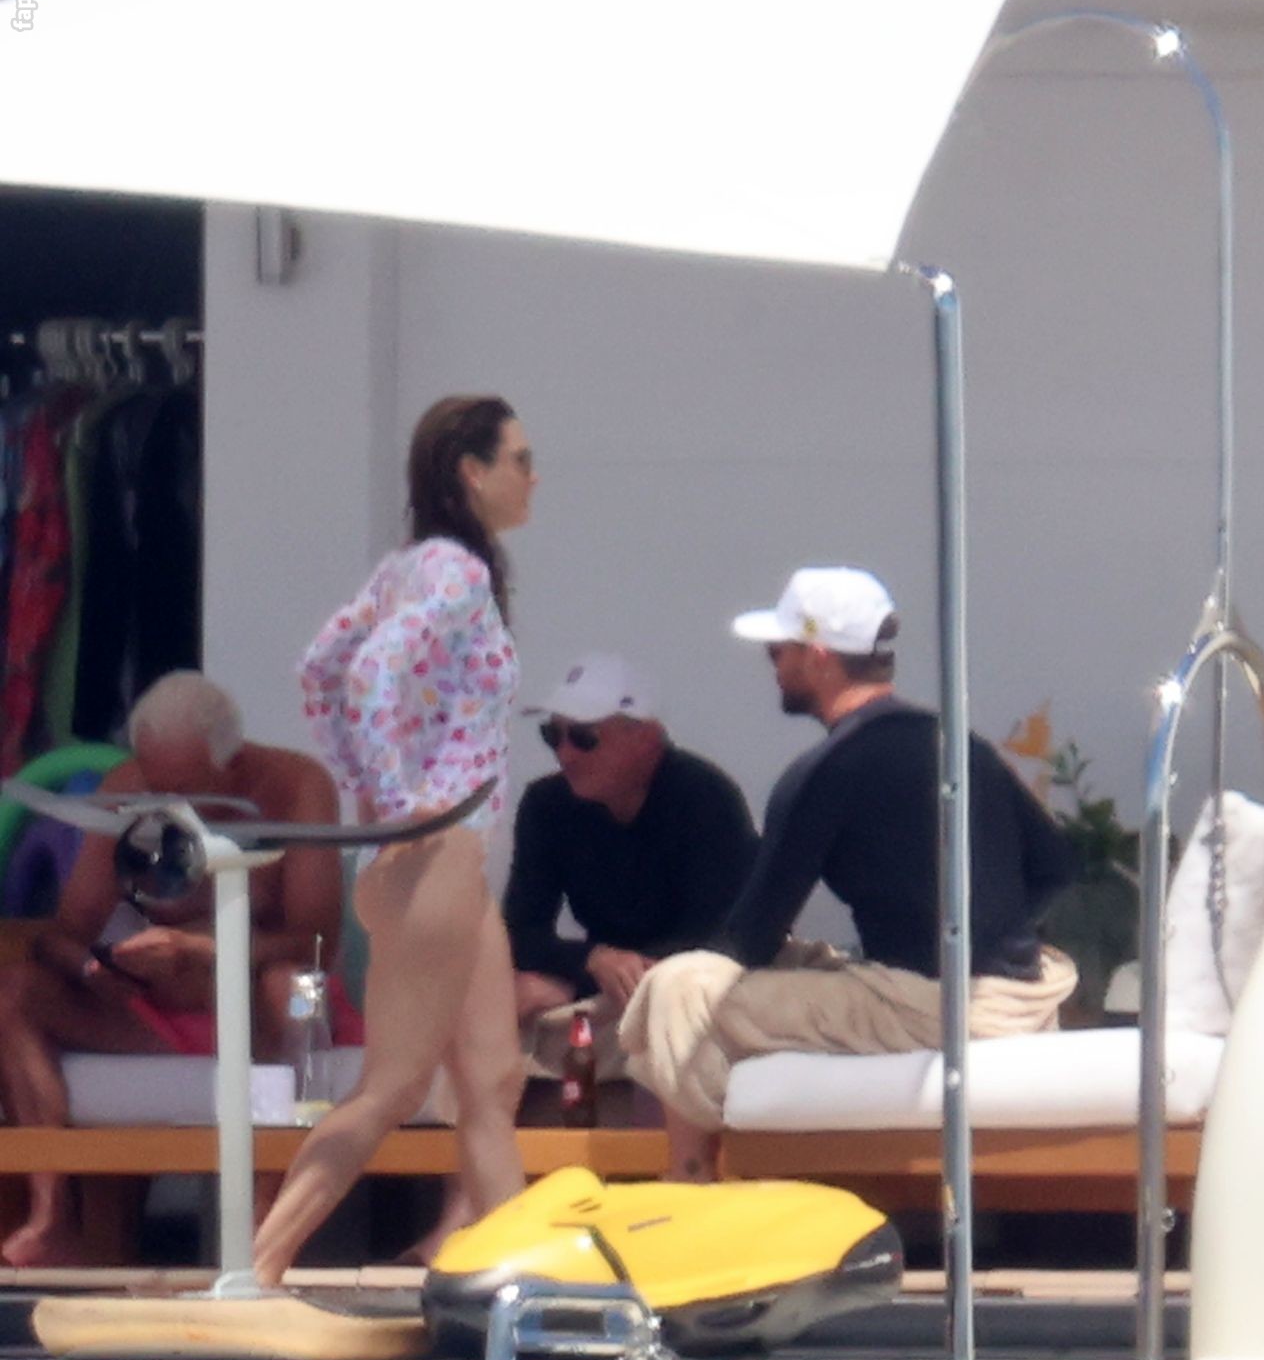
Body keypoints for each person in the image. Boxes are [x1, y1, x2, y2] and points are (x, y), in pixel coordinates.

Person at [619, 566, 1078, 1179]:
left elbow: (750, 938)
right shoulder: (958, 744)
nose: (772, 665)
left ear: (817, 658)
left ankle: (691, 1174)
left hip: (925, 1006)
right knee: (794, 965)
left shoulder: (826, 771)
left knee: (680, 987)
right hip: (1019, 995)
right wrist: (991, 939)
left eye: (777, 650)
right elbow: (1054, 865)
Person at [253, 393, 535, 1286]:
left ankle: (522, 1276)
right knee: (395, 1087)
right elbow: (371, 671)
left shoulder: (405, 569)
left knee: (491, 1079)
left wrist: (373, 791)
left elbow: (321, 667)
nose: (533, 478)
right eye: (520, 459)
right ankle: (257, 1266)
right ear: (472, 472)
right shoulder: (458, 574)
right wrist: (401, 798)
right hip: (436, 855)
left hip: (441, 861)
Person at [0, 671, 344, 1266]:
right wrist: (95, 967)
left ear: (232, 764)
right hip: (148, 1008)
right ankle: (51, 1214)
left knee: (292, 988)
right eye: (155, 787)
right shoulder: (126, 790)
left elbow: (318, 943)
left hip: (257, 1010)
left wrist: (204, 949)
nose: (167, 804)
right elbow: (66, 931)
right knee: (16, 991)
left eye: (184, 789)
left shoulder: (297, 787)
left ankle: (267, 1220)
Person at [504, 651, 758, 1079]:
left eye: (583, 737)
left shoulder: (705, 799)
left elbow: (719, 939)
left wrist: (584, 975)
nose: (565, 754)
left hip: (688, 984)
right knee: (511, 995)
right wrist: (592, 960)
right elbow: (519, 931)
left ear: (646, 739)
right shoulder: (546, 805)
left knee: (681, 1001)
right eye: (553, 735)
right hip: (611, 984)